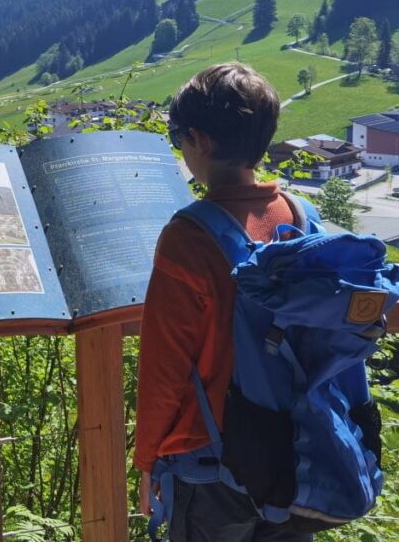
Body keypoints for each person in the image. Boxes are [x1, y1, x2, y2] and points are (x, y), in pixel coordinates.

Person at [133, 63, 311, 542]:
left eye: (178, 139)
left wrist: (147, 459)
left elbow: (163, 369)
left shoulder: (187, 238)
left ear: (200, 140)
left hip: (210, 463)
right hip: (294, 450)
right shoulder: (300, 216)